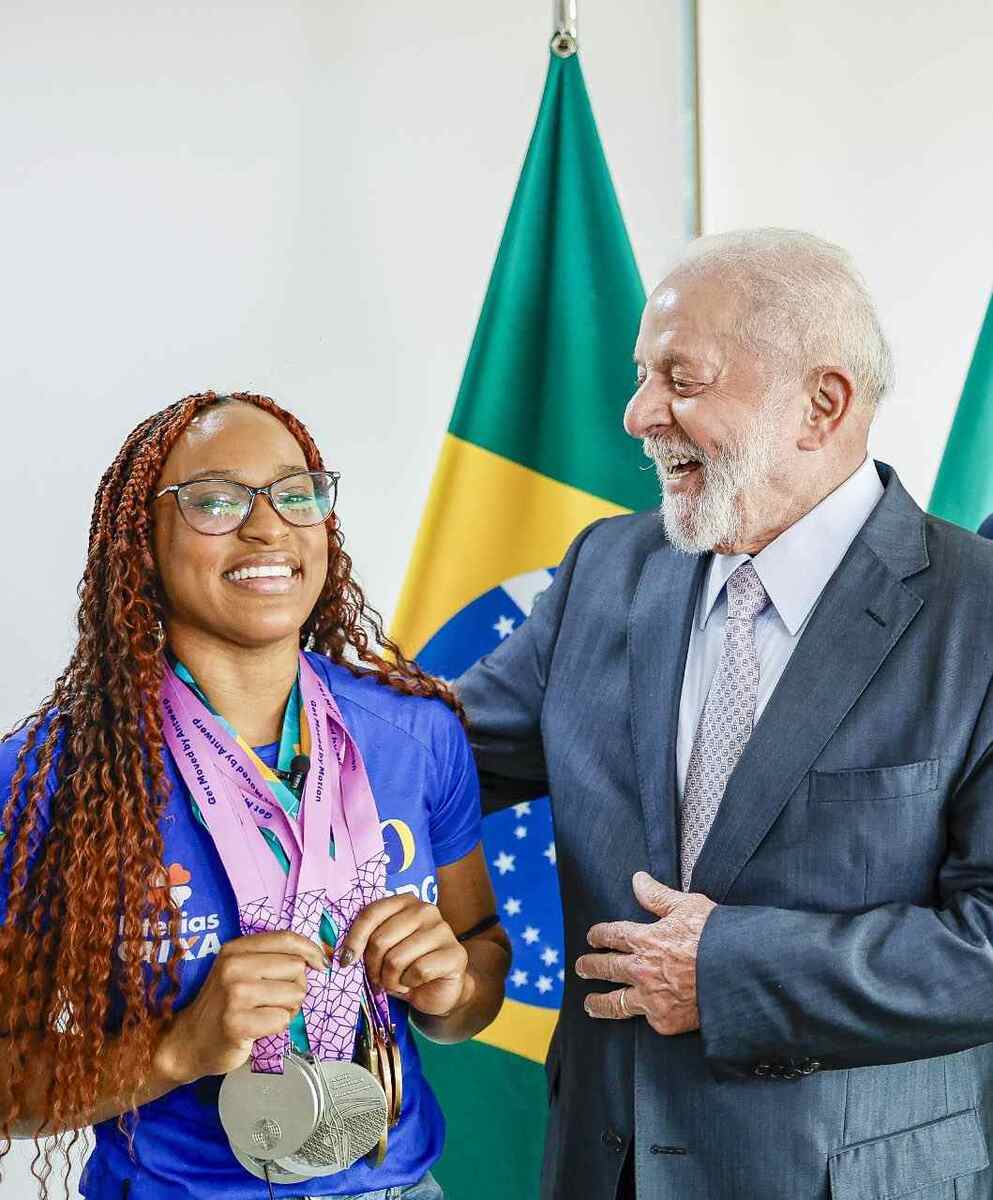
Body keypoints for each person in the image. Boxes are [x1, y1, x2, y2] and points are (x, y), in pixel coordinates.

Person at [457, 230, 993, 1200]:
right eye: (639, 375)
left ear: (820, 404)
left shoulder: (980, 611)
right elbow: (433, 754)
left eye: (681, 379)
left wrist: (732, 968)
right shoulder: (605, 570)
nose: (635, 414)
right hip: (602, 1165)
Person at [0, 392, 510, 1200]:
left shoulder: (417, 735)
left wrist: (453, 991)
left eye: (295, 493)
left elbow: (478, 947)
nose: (267, 526)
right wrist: (175, 1050)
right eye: (214, 500)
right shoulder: (48, 779)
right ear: (142, 540)